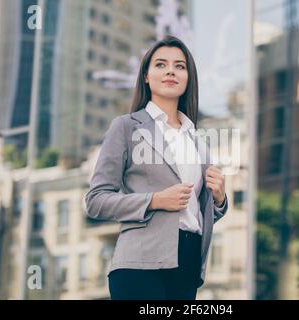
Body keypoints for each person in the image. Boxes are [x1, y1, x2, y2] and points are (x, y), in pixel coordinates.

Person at [84, 35, 228, 300]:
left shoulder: (197, 139)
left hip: (187, 265)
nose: (171, 70)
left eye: (180, 66)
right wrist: (154, 200)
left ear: (188, 79)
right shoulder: (126, 126)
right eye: (161, 64)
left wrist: (219, 200)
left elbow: (195, 213)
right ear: (147, 77)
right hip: (139, 265)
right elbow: (95, 201)